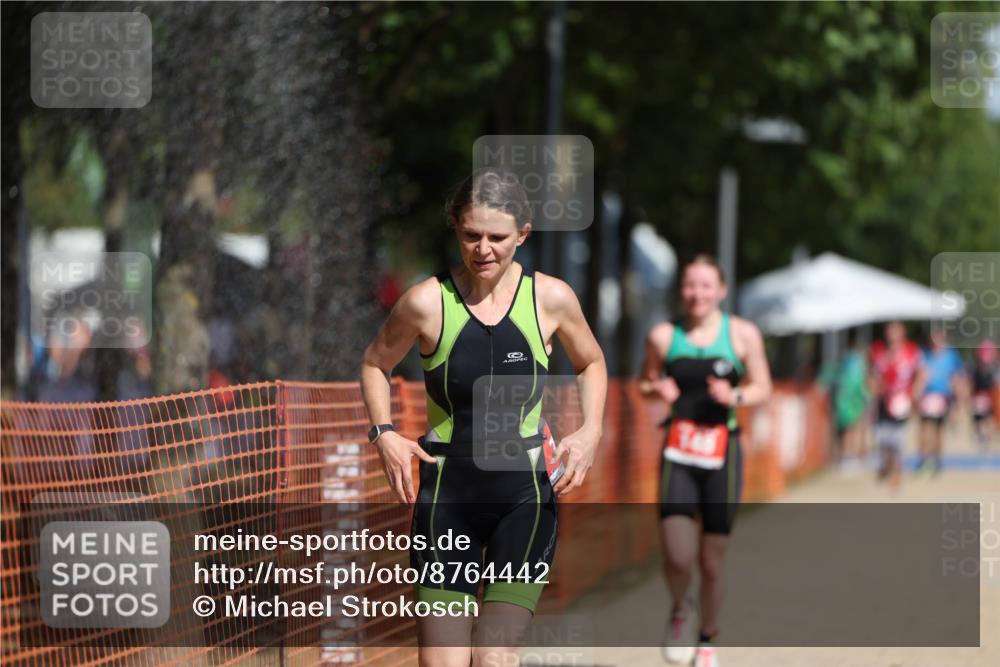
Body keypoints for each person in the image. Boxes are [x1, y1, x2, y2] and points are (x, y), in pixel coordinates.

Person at [360, 170, 607, 666]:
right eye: (472, 234)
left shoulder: (550, 299)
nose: (484, 249)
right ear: (455, 226)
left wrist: (590, 431)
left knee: (494, 657)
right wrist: (383, 432)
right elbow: (374, 363)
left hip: (525, 500)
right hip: (447, 498)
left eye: (498, 237)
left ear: (523, 233)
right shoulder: (426, 303)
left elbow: (591, 362)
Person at [638, 255, 772, 667]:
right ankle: (681, 608)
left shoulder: (743, 334)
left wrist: (734, 396)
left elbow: (762, 386)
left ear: (722, 290)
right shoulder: (664, 336)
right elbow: (645, 381)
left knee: (711, 561)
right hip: (678, 450)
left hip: (722, 452)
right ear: (682, 290)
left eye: (706, 286)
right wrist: (657, 390)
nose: (697, 294)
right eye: (690, 285)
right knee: (677, 555)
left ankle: (708, 638)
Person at [868, 321, 923, 492]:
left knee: (898, 440)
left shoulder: (912, 351)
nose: (892, 334)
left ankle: (897, 474)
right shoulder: (879, 352)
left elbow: (922, 372)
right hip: (884, 402)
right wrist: (874, 388)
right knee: (884, 439)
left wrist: (915, 393)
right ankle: (887, 466)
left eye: (896, 331)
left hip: (901, 402)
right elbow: (872, 375)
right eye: (890, 331)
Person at [916, 329, 965, 475]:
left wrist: (958, 399)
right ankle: (923, 460)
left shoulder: (952, 355)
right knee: (924, 430)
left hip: (943, 397)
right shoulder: (924, 354)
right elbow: (920, 375)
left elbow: (958, 376)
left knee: (938, 431)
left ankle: (937, 461)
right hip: (927, 397)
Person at [970, 339, 999, 451]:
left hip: (989, 398)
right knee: (979, 421)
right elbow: (972, 385)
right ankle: (982, 438)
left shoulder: (994, 370)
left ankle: (986, 439)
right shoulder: (975, 369)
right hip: (979, 399)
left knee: (987, 420)